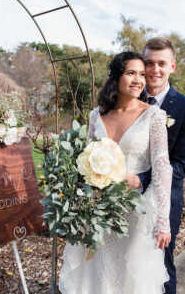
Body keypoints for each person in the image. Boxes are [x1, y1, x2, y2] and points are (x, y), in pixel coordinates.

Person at [59, 51, 173, 294]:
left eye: (142, 75)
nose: (138, 80)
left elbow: (162, 166)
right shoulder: (96, 115)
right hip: (98, 209)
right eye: (131, 73)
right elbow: (84, 160)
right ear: (116, 76)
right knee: (97, 273)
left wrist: (163, 220)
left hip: (136, 212)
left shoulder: (154, 116)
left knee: (129, 277)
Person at [138, 37, 185, 294]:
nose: (155, 70)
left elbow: (184, 165)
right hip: (124, 200)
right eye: (149, 63)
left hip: (164, 201)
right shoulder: (127, 100)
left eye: (161, 63)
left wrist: (140, 178)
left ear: (172, 66)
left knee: (161, 266)